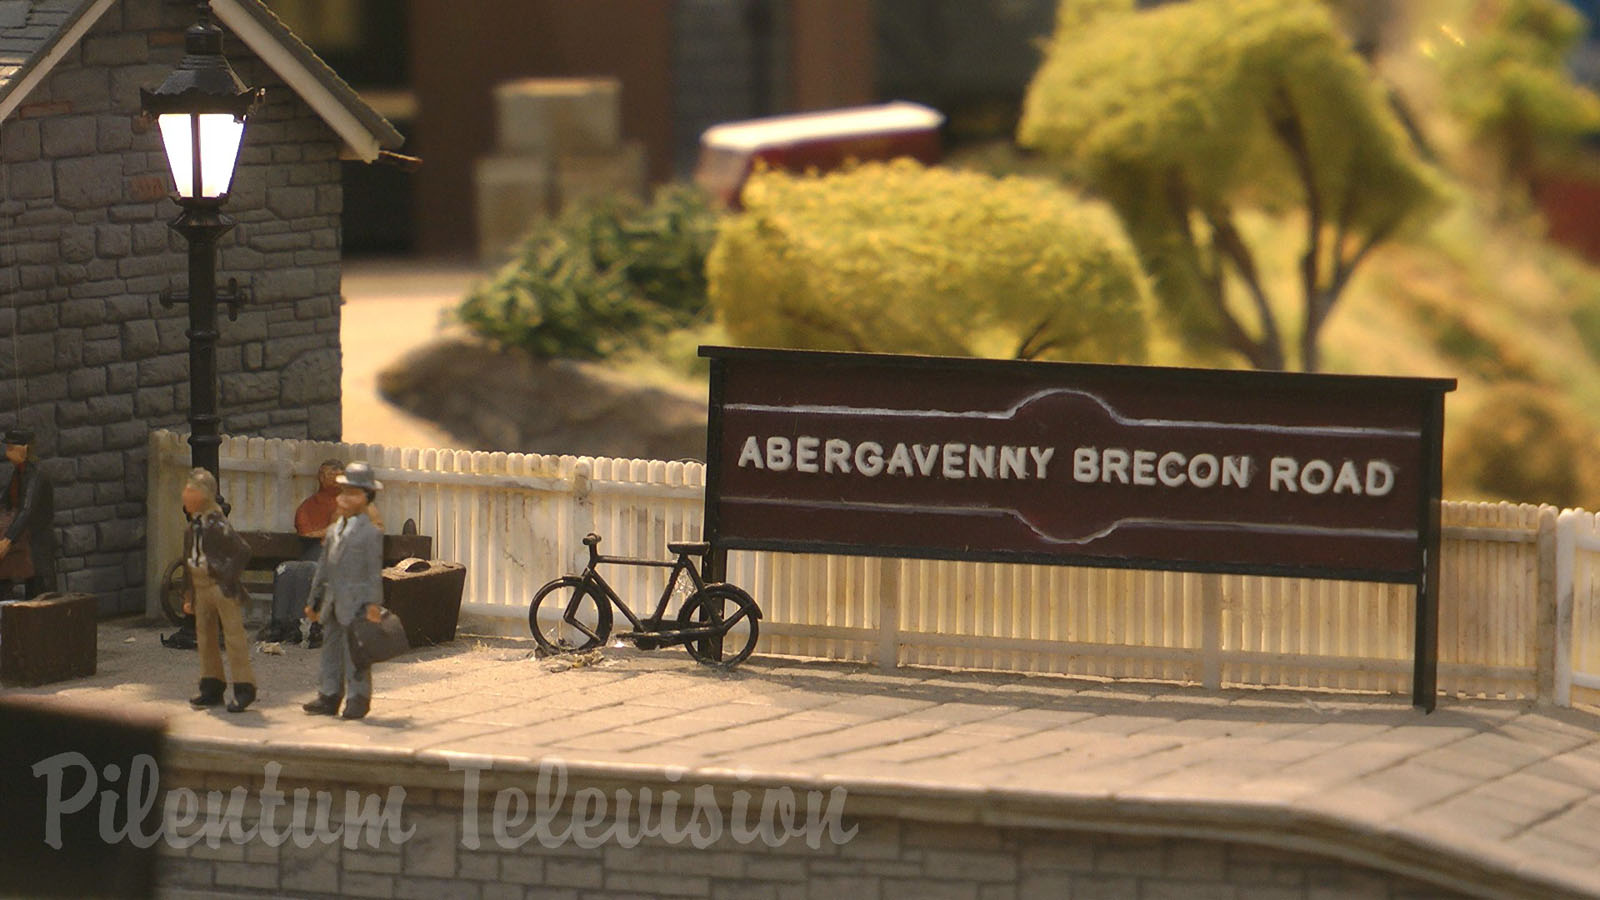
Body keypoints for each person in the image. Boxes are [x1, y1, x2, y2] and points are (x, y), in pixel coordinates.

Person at [302, 461, 385, 720]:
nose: (345, 498)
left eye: (353, 493)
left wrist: (373, 604)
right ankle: (328, 694)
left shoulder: (370, 533)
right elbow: (323, 568)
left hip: (357, 602)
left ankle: (358, 698)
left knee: (356, 654)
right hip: (332, 601)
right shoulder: (334, 530)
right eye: (344, 492)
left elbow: (374, 572)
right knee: (331, 649)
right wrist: (313, 600)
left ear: (366, 497)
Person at [180, 468, 257, 712]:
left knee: (234, 638)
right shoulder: (193, 526)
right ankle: (211, 684)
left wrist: (227, 578)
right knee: (205, 638)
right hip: (201, 588)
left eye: (190, 490)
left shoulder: (217, 523)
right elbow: (188, 560)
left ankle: (244, 687)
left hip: (220, 588)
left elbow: (242, 551)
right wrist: (189, 594)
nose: (185, 495)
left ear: (204, 494)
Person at [259, 459, 345, 647]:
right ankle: (280, 623)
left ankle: (305, 624)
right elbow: (304, 531)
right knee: (285, 569)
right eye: (324, 474)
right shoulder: (308, 506)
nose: (327, 479)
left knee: (311, 569)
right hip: (310, 555)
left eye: (333, 475)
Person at [0, 428, 56, 601]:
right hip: (24, 538)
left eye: (11, 447)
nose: (7, 452)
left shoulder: (36, 475)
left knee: (40, 594)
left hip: (36, 543)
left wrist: (7, 541)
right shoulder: (18, 473)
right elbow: (6, 501)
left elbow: (27, 510)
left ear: (24, 448)